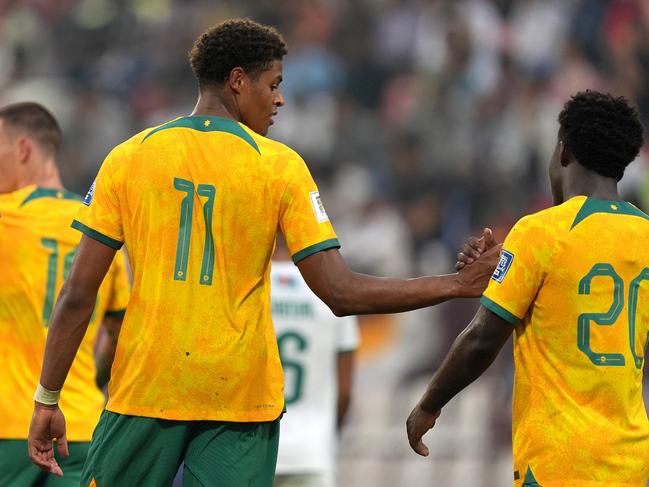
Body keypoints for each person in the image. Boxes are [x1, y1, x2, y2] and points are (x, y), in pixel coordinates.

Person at [27, 19, 500, 486]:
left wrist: (48, 397)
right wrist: (455, 285)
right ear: (237, 81)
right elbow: (340, 292)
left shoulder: (130, 157)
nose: (280, 99)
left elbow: (78, 294)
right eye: (273, 85)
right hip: (240, 400)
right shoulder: (279, 166)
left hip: (145, 389)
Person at [406, 90, 649, 486]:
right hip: (632, 462)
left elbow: (483, 339)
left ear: (564, 152)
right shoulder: (645, 234)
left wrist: (428, 405)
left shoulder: (540, 232)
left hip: (559, 461)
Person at [0, 102, 130, 486]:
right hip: (84, 428)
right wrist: (94, 376)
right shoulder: (100, 230)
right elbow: (119, 331)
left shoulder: (6, 217)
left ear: (23, 149)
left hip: (9, 425)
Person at [271, 239, 360, 487]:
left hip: (252, 448)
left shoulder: (248, 284)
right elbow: (344, 392)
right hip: (312, 451)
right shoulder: (335, 290)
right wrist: (328, 438)